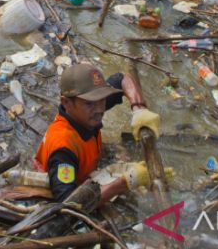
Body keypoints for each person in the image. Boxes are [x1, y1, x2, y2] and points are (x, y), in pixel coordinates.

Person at [34, 63, 160, 204]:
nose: (100, 109)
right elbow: (68, 205)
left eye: (103, 100)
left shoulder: (85, 111)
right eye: (90, 103)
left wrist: (139, 108)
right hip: (67, 184)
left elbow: (123, 78)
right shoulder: (63, 148)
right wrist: (125, 182)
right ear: (66, 102)